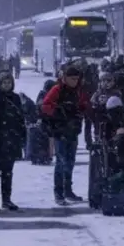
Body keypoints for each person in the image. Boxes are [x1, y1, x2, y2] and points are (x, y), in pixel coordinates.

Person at [40, 64, 91, 206]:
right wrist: (59, 111)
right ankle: (59, 192)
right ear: (65, 78)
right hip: (60, 131)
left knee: (70, 162)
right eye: (72, 79)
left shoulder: (79, 91)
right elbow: (45, 106)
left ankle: (68, 190)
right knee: (61, 162)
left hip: (73, 131)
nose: (75, 81)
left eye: (76, 79)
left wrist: (81, 110)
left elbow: (85, 105)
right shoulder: (57, 89)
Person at [0, 71, 27, 212]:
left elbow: (20, 119)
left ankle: (6, 199)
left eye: (9, 82)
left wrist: (22, 136)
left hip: (12, 139)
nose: (7, 85)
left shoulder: (15, 98)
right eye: (4, 83)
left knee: (8, 172)